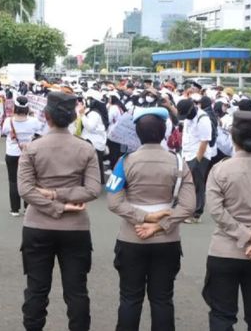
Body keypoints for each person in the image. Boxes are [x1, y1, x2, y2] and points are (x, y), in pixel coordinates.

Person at [17, 91, 101, 331]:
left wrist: (54, 197)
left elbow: (25, 189)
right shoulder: (86, 149)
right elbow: (93, 189)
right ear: (74, 118)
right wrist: (64, 201)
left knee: (36, 289)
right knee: (76, 291)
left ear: (46, 117)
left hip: (37, 225)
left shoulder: (32, 148)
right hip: (75, 226)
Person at [107, 107, 195, 331]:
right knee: (162, 299)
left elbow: (114, 202)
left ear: (137, 133)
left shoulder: (124, 162)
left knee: (129, 298)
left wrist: (143, 217)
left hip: (131, 237)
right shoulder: (178, 163)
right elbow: (188, 206)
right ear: (164, 131)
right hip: (167, 239)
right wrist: (159, 224)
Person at [203, 110, 251, 331]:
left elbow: (216, 211)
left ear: (233, 138)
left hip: (225, 249)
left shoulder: (220, 169)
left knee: (222, 315)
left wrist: (244, 235)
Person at [1, 96, 43, 216]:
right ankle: (27, 207)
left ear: (15, 107)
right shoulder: (33, 121)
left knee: (13, 181)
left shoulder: (9, 121)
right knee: (29, 180)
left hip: (12, 153)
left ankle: (14, 209)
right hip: (28, 153)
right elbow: (40, 132)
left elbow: (4, 132)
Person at [177, 98, 213, 224]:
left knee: (197, 185)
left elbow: (205, 141)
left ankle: (196, 214)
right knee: (186, 184)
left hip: (199, 155)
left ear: (192, 109)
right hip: (187, 153)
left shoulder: (203, 119)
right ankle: (186, 210)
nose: (185, 117)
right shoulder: (188, 118)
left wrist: (197, 161)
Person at [80, 89, 108, 183]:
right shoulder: (95, 111)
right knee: (97, 164)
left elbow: (90, 127)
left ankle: (95, 182)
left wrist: (82, 115)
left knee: (94, 165)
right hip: (96, 142)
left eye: (89, 99)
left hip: (94, 142)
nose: (86, 101)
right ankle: (98, 181)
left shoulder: (94, 113)